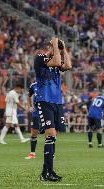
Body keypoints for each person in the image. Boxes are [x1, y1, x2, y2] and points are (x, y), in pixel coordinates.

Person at [34, 37, 72, 181]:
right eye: (53, 47)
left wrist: (64, 48)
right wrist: (55, 44)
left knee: (53, 137)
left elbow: (68, 66)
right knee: (50, 135)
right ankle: (46, 173)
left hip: (56, 102)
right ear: (48, 47)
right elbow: (56, 61)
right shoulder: (40, 57)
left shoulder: (57, 59)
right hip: (44, 100)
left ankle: (48, 171)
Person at [25, 82, 40, 159]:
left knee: (49, 133)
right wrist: (30, 106)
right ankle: (32, 153)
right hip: (36, 113)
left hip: (47, 112)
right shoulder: (33, 85)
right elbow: (29, 96)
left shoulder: (49, 83)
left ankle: (51, 154)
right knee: (34, 133)